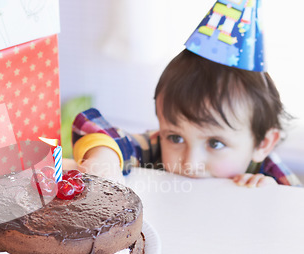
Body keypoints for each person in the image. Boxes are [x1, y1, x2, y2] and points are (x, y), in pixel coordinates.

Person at [71, 49, 301, 187]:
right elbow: (96, 129)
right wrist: (106, 160)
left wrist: (273, 199)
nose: (190, 164)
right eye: (176, 138)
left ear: (263, 144)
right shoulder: (156, 145)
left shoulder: (271, 173)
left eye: (215, 143)